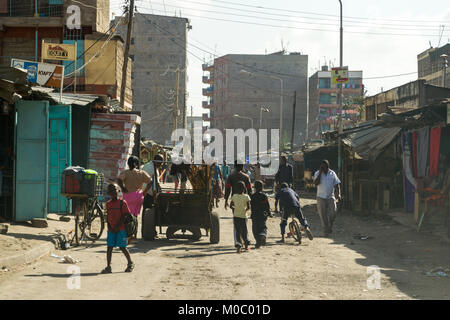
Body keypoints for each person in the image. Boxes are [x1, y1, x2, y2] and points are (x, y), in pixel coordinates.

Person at [101, 184, 134, 274]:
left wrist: (116, 227)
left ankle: (130, 263)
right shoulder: (108, 204)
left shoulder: (122, 203)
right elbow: (108, 217)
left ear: (118, 191)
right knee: (109, 248)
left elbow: (125, 216)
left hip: (121, 229)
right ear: (109, 193)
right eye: (110, 191)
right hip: (111, 229)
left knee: (122, 247)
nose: (112, 193)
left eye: (114, 190)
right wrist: (110, 227)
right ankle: (108, 267)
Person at [118, 156, 152, 240]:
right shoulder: (141, 172)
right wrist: (144, 192)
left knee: (126, 215)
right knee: (135, 216)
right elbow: (150, 181)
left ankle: (126, 234)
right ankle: (134, 235)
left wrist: (122, 188)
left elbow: (119, 179)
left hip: (128, 195)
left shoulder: (125, 172)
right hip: (138, 196)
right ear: (136, 164)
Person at [313, 160, 341, 237]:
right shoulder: (317, 173)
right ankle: (326, 230)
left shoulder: (332, 173)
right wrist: (320, 173)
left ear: (328, 166)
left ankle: (330, 225)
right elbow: (316, 183)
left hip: (330, 196)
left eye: (325, 166)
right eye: (322, 166)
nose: (324, 168)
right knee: (323, 215)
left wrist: (338, 194)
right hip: (320, 197)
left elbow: (337, 184)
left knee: (333, 212)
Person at [141, 154, 164, 237]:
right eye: (161, 163)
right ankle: (147, 232)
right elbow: (152, 184)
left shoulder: (148, 166)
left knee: (146, 213)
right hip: (148, 193)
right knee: (149, 214)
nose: (161, 165)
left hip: (145, 192)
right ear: (157, 162)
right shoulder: (152, 169)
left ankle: (147, 232)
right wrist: (155, 197)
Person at [230, 181, 251, 253]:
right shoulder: (246, 196)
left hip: (236, 216)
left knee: (238, 231)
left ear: (236, 189)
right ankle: (246, 246)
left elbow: (231, 206)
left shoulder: (234, 196)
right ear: (244, 188)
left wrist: (235, 209)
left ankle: (238, 247)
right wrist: (244, 210)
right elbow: (249, 207)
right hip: (244, 216)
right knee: (244, 231)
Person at [250, 180, 272, 248]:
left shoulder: (252, 196)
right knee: (263, 227)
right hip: (262, 215)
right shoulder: (264, 196)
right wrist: (269, 213)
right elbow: (267, 206)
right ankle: (263, 235)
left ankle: (258, 242)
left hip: (254, 215)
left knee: (255, 229)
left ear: (255, 187)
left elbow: (250, 205)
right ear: (262, 187)